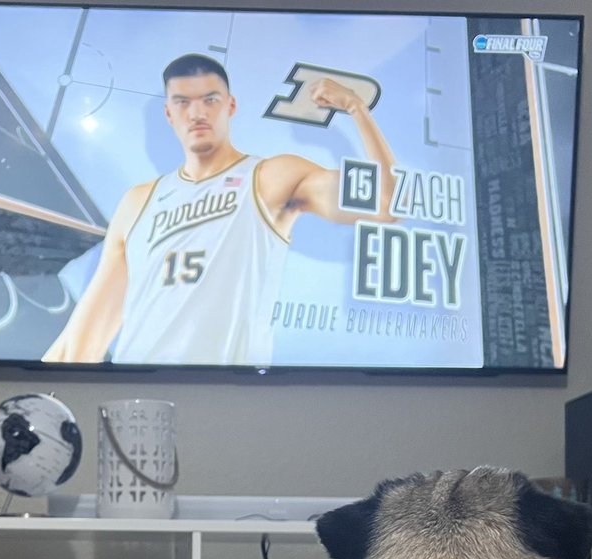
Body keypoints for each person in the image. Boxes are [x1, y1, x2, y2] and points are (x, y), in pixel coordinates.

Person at [42, 53, 396, 366]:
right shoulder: (138, 201)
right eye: (182, 102)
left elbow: (385, 203)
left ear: (230, 105)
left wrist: (355, 107)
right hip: (141, 403)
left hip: (230, 399)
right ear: (168, 113)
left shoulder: (269, 176)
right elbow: (82, 342)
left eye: (210, 99)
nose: (197, 112)